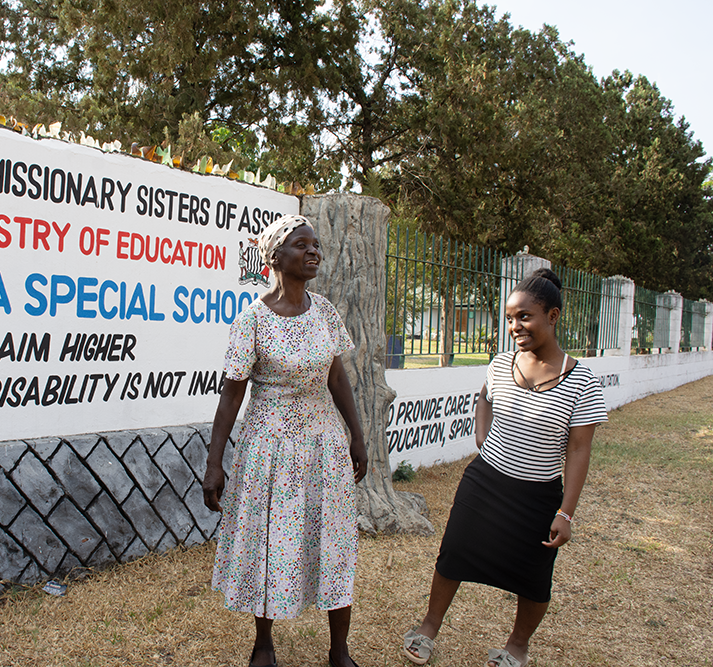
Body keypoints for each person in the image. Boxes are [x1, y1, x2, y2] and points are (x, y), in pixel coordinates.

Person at [401, 268, 608, 667]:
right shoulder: (500, 364)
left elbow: (579, 451)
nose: (515, 326)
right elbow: (484, 397)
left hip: (537, 494)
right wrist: (482, 435)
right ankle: (428, 627)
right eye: (510, 318)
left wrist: (565, 512)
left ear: (553, 316)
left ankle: (517, 647)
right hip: (484, 483)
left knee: (533, 576)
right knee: (454, 554)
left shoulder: (582, 380)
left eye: (524, 317)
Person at [203, 214, 368, 667]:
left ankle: (339, 650)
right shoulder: (252, 320)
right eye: (301, 245)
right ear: (276, 257)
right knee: (271, 540)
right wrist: (215, 463)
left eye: (315, 245)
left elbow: (337, 377)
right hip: (269, 449)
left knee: (333, 540)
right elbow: (230, 397)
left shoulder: (326, 312)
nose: (313, 251)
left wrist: (357, 435)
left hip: (324, 447)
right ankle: (263, 644)